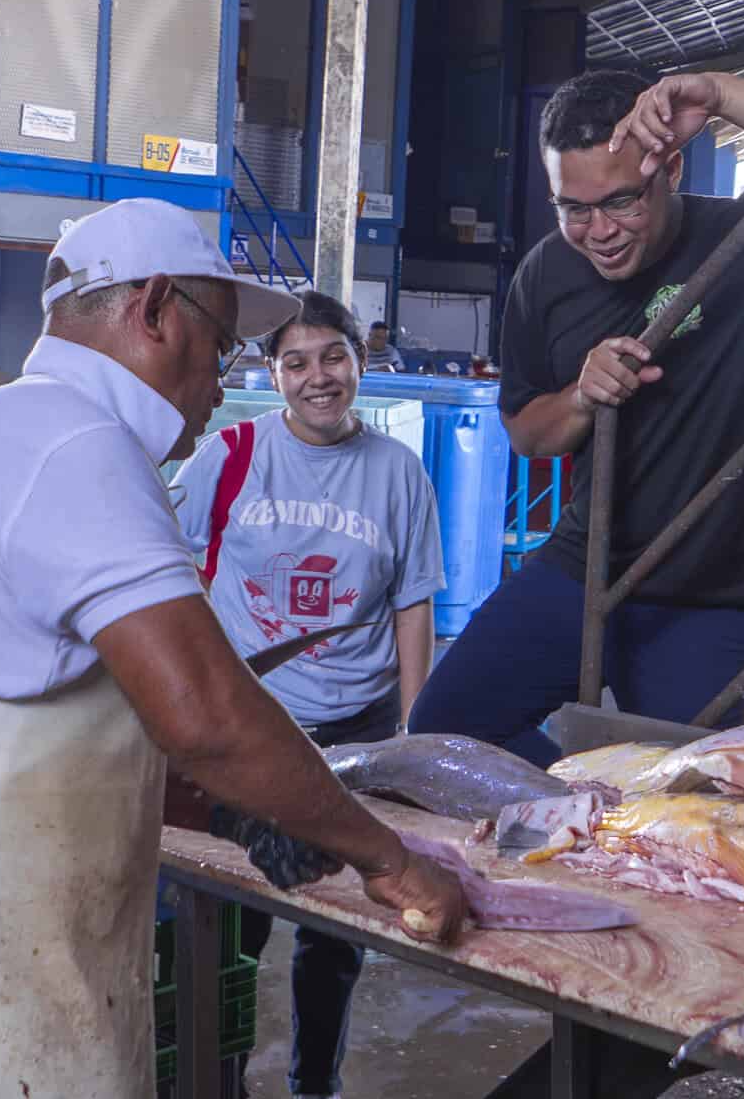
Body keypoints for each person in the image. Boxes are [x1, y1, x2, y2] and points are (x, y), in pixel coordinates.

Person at [0, 199, 464, 1099]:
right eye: (220, 346)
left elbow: (79, 714)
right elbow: (207, 717)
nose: (224, 383)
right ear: (153, 310)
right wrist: (396, 859)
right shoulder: (73, 441)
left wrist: (237, 811)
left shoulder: (37, 426)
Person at [409, 68, 744, 764]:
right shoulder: (544, 276)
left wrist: (723, 96)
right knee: (441, 731)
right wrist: (582, 395)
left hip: (713, 596)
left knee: (670, 790)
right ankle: (586, 815)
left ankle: (614, 824)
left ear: (667, 165)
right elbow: (525, 428)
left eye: (621, 201)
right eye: (573, 208)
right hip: (583, 568)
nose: (599, 231)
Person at [172, 291, 444, 1099]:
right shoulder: (229, 455)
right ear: (272, 371)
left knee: (338, 932)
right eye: (296, 361)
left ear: (361, 362)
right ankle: (218, 1078)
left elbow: (413, 602)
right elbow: (167, 564)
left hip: (358, 729)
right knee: (236, 919)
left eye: (334, 357)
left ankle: (313, 1085)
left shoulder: (398, 471)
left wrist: (413, 736)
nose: (317, 377)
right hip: (251, 728)